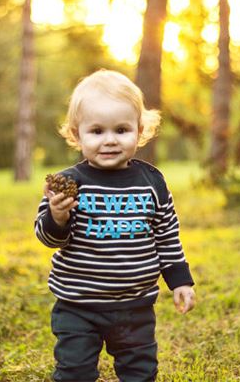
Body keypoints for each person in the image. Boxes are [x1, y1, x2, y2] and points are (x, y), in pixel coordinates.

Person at [34, 69, 196, 382]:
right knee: (74, 373)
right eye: (96, 131)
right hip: (78, 304)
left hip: (135, 306)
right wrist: (57, 216)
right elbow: (48, 238)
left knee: (140, 372)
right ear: (77, 134)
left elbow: (167, 237)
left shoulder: (153, 183)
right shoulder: (68, 184)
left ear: (140, 131)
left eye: (121, 130)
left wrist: (180, 281)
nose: (109, 140)